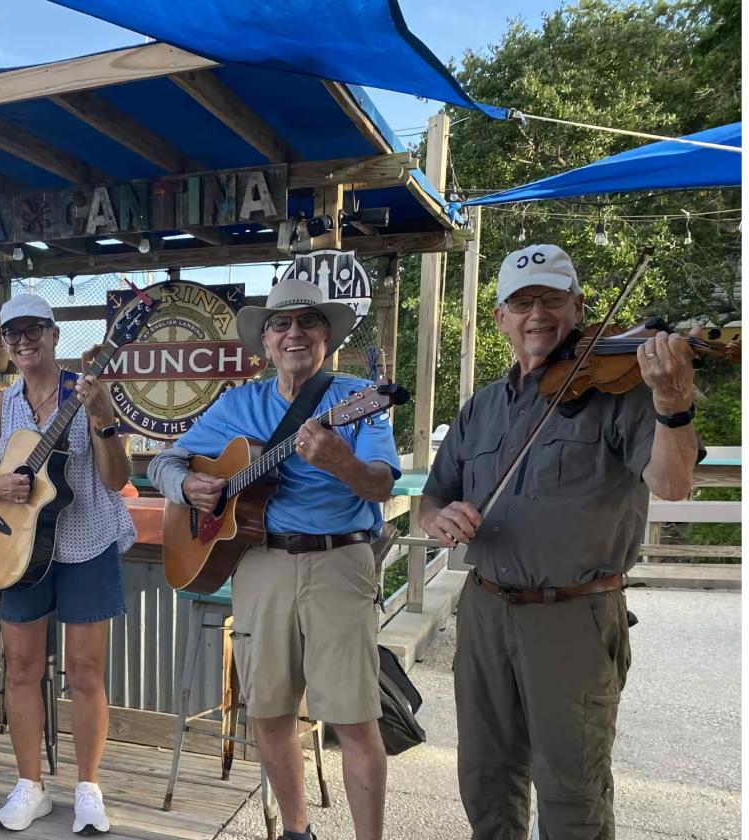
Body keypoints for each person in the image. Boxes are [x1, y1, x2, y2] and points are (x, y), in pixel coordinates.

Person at [416, 244, 699, 839]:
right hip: (486, 609)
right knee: (486, 778)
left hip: (575, 614)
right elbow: (431, 500)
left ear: (578, 306)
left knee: (572, 788)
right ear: (500, 318)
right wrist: (438, 520)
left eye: (551, 299)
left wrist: (673, 405)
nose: (537, 315)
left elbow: (671, 485)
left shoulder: (621, 391)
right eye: (522, 303)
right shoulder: (480, 409)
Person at [149, 277, 400, 840]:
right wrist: (188, 486)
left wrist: (342, 464)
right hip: (260, 563)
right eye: (281, 324)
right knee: (267, 710)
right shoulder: (238, 403)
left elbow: (382, 486)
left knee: (355, 718)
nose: (294, 333)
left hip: (340, 560)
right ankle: (295, 831)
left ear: (327, 336)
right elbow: (164, 461)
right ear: (265, 342)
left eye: (308, 322)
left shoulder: (359, 399)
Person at [0, 292, 136, 835]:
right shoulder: (3, 405)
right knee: (22, 670)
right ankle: (30, 786)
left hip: (87, 542)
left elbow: (117, 479)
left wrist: (104, 421)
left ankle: (88, 788)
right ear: (4, 345)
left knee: (86, 673)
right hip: (21, 550)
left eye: (33, 331)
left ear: (54, 335)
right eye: (12, 334)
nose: (23, 342)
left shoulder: (89, 391)